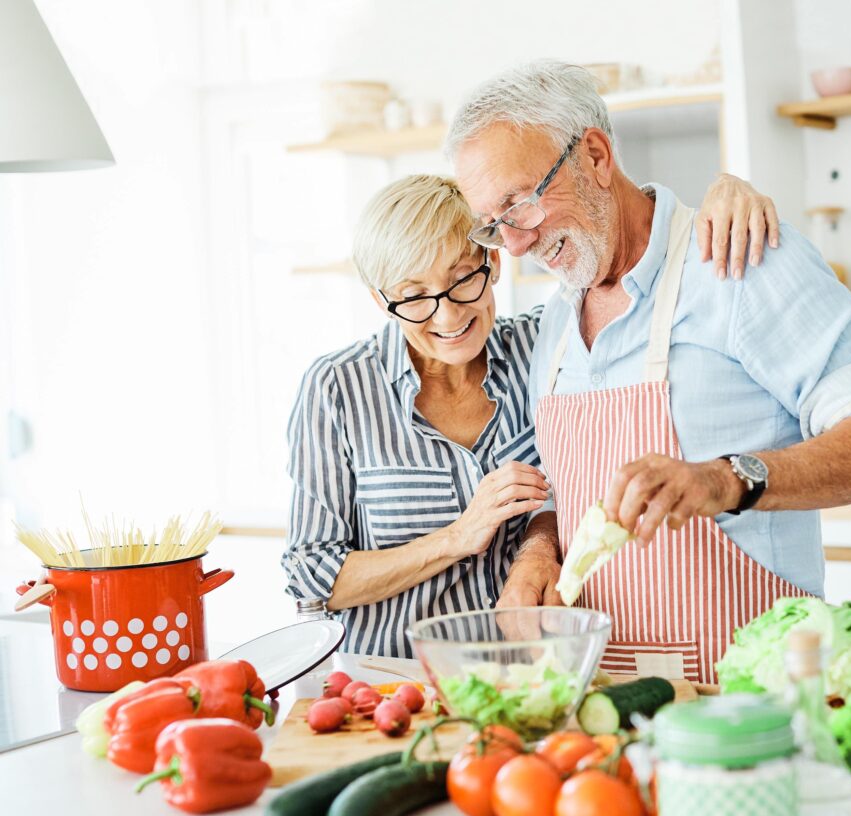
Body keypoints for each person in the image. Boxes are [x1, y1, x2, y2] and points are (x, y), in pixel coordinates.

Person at [447, 61, 851, 680]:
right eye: (493, 224)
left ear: (594, 155)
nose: (512, 245)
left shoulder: (739, 259)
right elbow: (570, 490)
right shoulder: (556, 324)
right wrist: (539, 549)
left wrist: (726, 481)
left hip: (753, 697)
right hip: (604, 696)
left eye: (520, 205)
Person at [281, 171, 778, 657]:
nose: (449, 316)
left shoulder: (545, 344)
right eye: (413, 297)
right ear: (381, 301)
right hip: (394, 682)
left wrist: (721, 195)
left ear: (493, 262)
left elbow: (630, 258)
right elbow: (312, 575)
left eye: (462, 279)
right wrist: (458, 537)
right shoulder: (337, 388)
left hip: (533, 675)